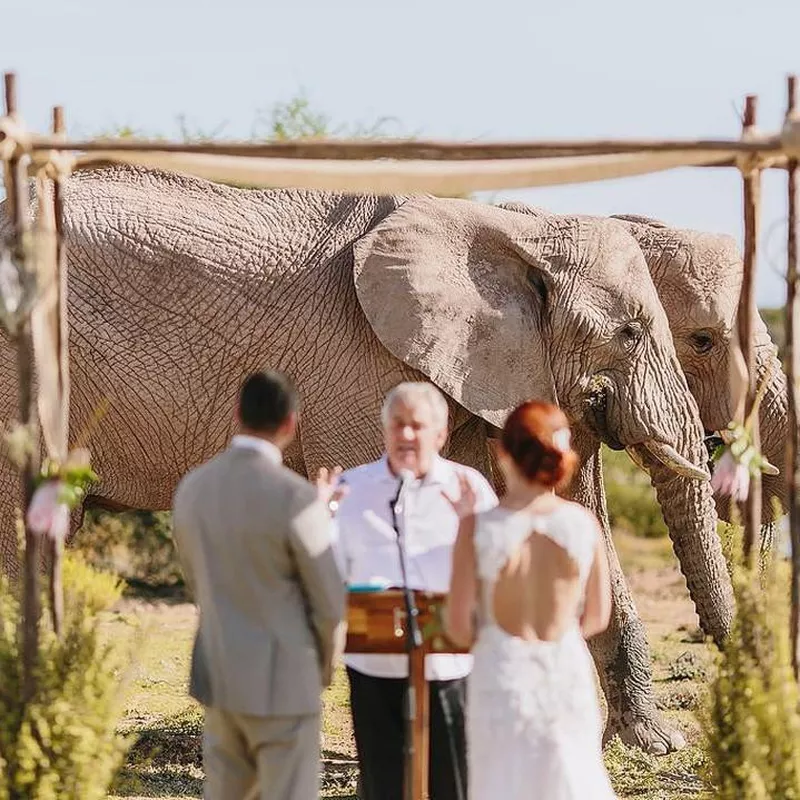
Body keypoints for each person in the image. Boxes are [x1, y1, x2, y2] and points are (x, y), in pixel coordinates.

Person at [172, 370, 347, 800]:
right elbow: (330, 604)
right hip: (285, 681)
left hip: (218, 673)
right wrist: (320, 670)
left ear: (237, 414)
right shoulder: (296, 498)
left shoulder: (192, 489)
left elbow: (200, 578)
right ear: (291, 422)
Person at [329, 381, 498, 800]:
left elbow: (495, 570)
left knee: (451, 785)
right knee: (383, 785)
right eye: (397, 425)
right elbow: (328, 574)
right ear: (384, 429)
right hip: (373, 665)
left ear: (440, 434)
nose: (406, 435)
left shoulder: (469, 488)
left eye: (417, 426)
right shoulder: (351, 489)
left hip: (448, 664)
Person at [443, 400, 616, 800]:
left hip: (500, 673)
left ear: (502, 451)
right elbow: (598, 615)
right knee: (568, 777)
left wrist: (491, 642)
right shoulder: (581, 524)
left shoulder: (477, 528)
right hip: (565, 669)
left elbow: (455, 626)